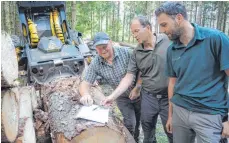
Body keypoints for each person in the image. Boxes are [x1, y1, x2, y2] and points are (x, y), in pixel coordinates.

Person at [155, 2, 229, 143]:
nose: (162, 30)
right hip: (180, 111)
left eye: (164, 25)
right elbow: (172, 83)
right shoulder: (172, 50)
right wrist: (170, 115)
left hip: (209, 114)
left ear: (179, 18)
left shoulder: (216, 39)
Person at [102, 16, 173, 143]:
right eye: (132, 32)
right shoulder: (137, 52)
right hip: (148, 97)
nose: (134, 35)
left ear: (148, 28)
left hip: (169, 98)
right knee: (147, 130)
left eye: (136, 31)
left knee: (172, 132)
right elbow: (129, 76)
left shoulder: (168, 41)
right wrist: (112, 96)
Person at [79, 32, 141, 142]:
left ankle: (136, 138)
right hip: (122, 96)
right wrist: (85, 94)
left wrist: (138, 87)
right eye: (98, 48)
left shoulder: (126, 53)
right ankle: (130, 139)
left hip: (139, 93)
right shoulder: (96, 63)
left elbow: (141, 70)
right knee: (130, 122)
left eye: (105, 46)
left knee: (142, 121)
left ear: (110, 42)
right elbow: (85, 82)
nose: (102, 50)